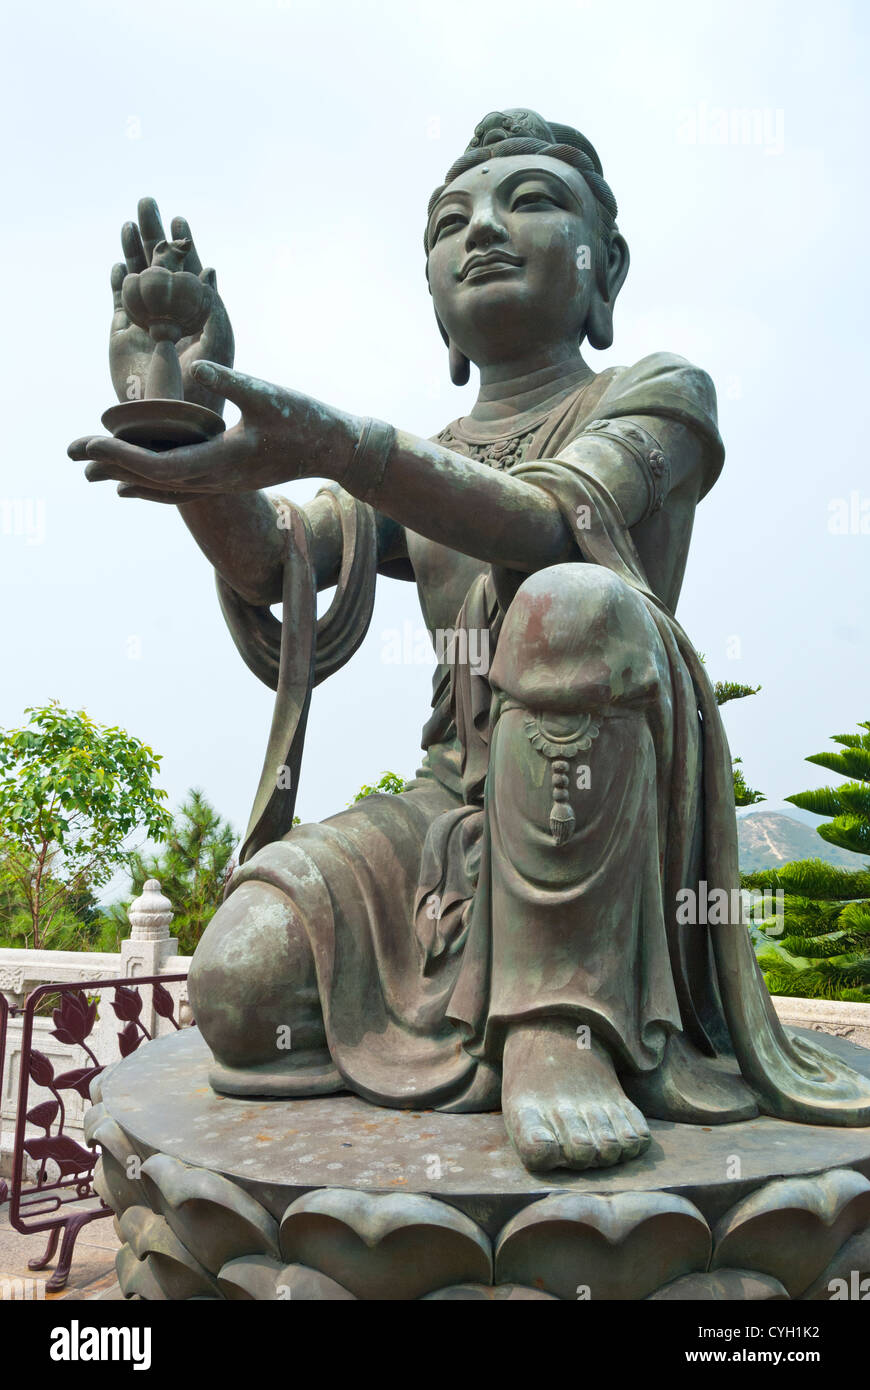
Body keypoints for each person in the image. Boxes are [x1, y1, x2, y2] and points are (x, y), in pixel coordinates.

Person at [71, 109, 870, 1173]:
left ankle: (561, 1023)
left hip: (611, 815)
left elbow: (547, 520)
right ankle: (435, 1044)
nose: (484, 228)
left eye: (531, 201)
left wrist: (345, 447)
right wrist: (173, 414)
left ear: (605, 272)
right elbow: (278, 562)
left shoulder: (658, 394)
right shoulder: (425, 461)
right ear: (439, 310)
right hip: (452, 810)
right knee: (237, 982)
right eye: (453, 222)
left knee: (571, 601)